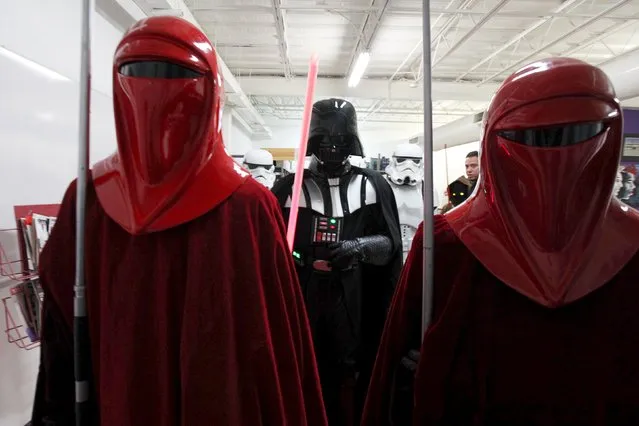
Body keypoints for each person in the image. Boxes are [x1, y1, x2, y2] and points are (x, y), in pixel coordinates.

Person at [30, 16, 327, 426]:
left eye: (173, 75)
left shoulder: (88, 197)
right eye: (140, 72)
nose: (156, 90)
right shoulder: (90, 199)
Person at [361, 57, 639, 425]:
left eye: (576, 133)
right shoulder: (446, 242)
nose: (553, 152)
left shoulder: (447, 240)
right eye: (533, 137)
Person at [272, 98, 402, 425]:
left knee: (349, 366)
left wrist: (359, 246)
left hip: (353, 293)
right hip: (303, 291)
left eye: (341, 141)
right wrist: (297, 257)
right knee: (303, 362)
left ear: (352, 142)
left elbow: (391, 246)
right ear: (314, 140)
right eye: (325, 140)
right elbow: (270, 249)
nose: (333, 147)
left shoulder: (374, 184)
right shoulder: (288, 188)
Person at [384, 143, 437, 262]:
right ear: (393, 161)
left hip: (419, 247)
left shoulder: (428, 188)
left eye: (415, 161)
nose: (408, 165)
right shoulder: (382, 185)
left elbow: (434, 220)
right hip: (388, 248)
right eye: (401, 160)